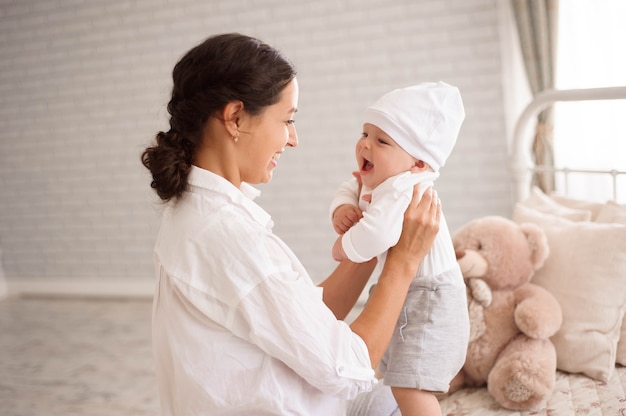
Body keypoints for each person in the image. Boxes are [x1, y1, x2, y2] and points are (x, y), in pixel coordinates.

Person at [141, 32, 442, 416]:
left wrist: (369, 243)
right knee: (399, 392)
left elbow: (301, 318)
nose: (293, 139)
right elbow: (350, 368)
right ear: (235, 118)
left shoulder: (197, 215)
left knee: (399, 393)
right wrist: (403, 262)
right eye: (287, 120)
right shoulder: (227, 236)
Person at [330, 82, 470, 416]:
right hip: (416, 292)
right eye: (365, 133)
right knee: (400, 379)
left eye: (381, 141)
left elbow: (375, 235)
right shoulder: (384, 178)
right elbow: (349, 185)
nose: (365, 144)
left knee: (410, 388)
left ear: (419, 163)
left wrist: (343, 246)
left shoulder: (404, 187)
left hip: (430, 297)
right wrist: (342, 209)